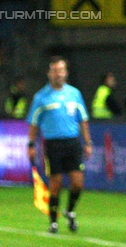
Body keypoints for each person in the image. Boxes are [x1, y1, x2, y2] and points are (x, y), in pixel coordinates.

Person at [27, 56, 93, 234]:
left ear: (66, 73)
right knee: (55, 183)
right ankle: (53, 222)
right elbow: (33, 123)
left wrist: (87, 143)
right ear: (49, 73)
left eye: (61, 70)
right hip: (53, 144)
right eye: (55, 70)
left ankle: (70, 211)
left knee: (78, 183)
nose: (59, 74)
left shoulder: (74, 94)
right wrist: (31, 144)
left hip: (72, 142)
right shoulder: (41, 97)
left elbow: (83, 120)